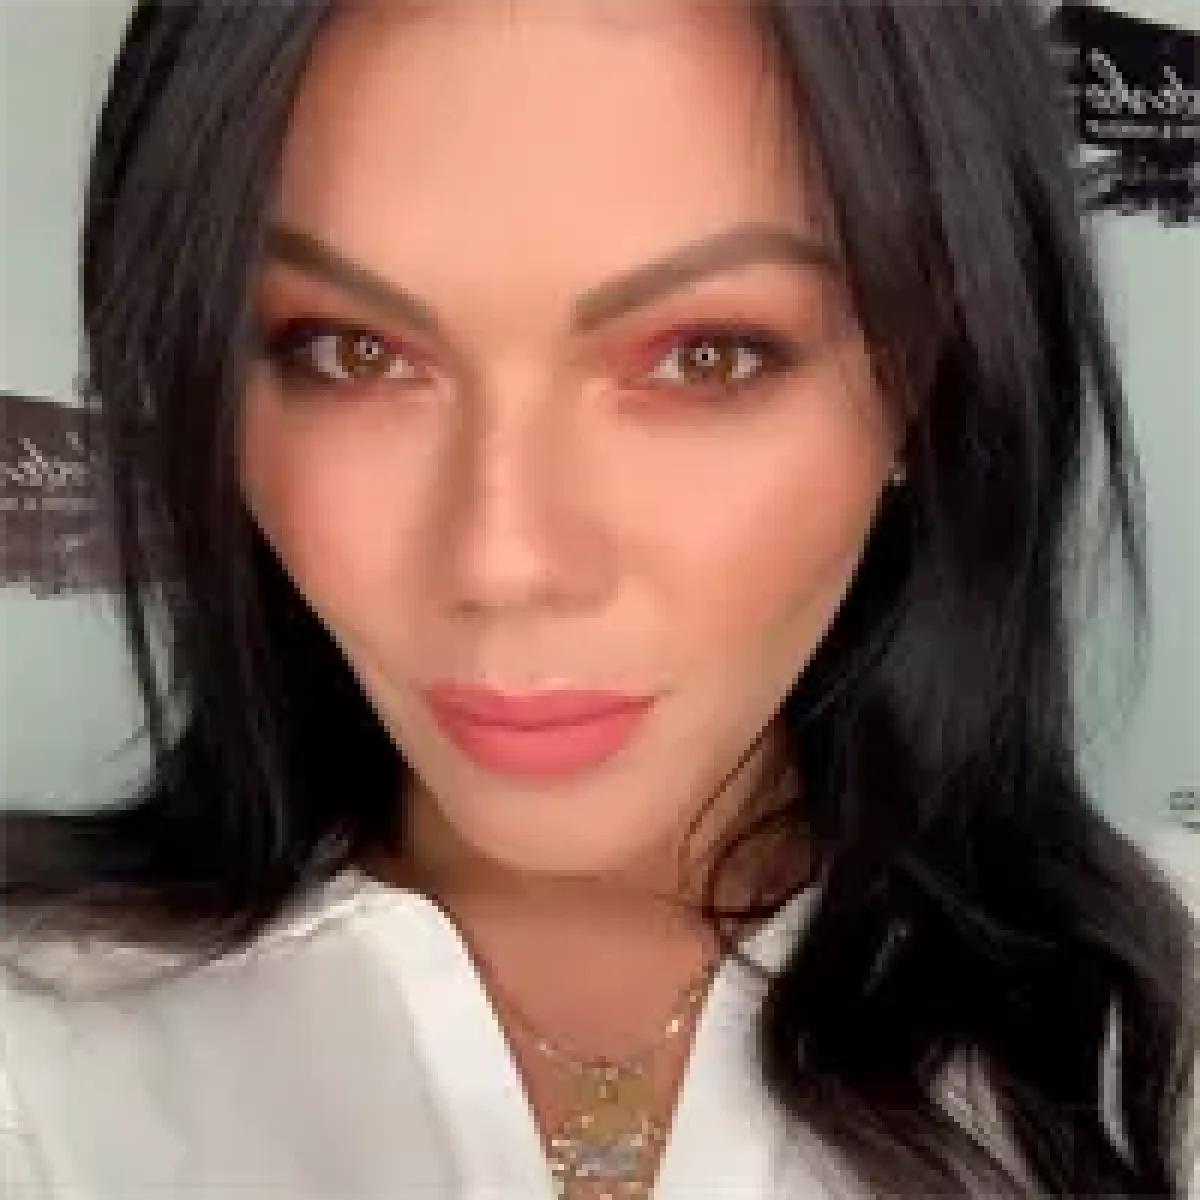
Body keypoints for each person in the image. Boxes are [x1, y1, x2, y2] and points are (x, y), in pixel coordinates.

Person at [0, 1, 1195, 1196]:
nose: (503, 560)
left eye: (705, 356)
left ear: (927, 375)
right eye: (351, 352)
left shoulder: (1158, 1054)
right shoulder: (40, 1060)